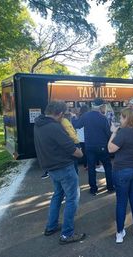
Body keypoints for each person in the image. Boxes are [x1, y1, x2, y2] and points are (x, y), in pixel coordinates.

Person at [34, 101, 85, 245]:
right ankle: (67, 234)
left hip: (51, 167)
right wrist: (80, 153)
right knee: (72, 198)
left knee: (57, 195)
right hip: (64, 167)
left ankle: (51, 226)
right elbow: (71, 148)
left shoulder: (39, 124)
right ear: (60, 114)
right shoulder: (54, 127)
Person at [108, 107, 133, 243]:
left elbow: (110, 149)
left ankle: (120, 233)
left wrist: (113, 133)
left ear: (126, 118)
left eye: (121, 117)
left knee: (121, 202)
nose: (120, 120)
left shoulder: (123, 132)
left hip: (122, 171)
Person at [73, 98, 114, 196]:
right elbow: (108, 133)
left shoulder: (85, 116)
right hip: (102, 146)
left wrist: (74, 117)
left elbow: (77, 125)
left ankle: (93, 189)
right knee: (108, 166)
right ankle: (110, 187)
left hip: (89, 146)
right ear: (101, 107)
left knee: (91, 167)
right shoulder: (103, 118)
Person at [76, 105, 89, 170]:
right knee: (87, 152)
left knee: (84, 152)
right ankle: (88, 165)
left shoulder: (79, 116)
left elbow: (76, 126)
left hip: (79, 137)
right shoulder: (86, 116)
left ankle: (85, 165)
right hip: (85, 137)